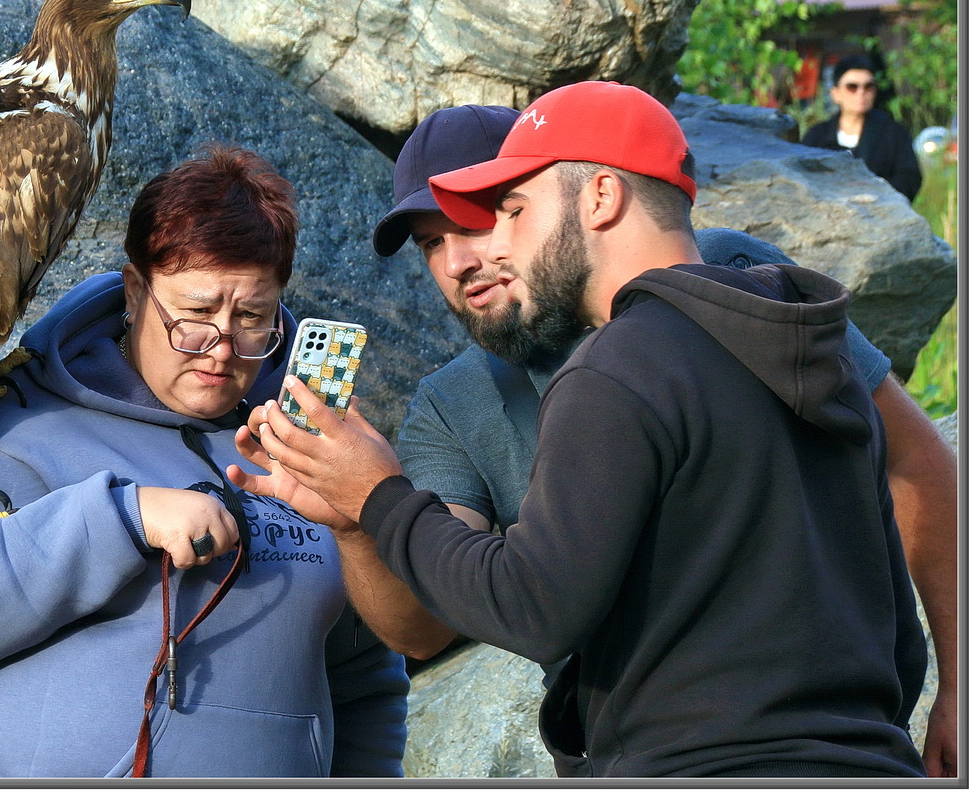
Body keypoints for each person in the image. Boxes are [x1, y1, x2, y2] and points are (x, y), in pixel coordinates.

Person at [232, 82, 929, 777]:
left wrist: (380, 495)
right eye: (429, 245)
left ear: (597, 197)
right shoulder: (793, 322)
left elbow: (531, 603)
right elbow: (898, 636)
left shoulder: (621, 356)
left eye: (503, 213)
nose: (462, 261)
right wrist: (358, 516)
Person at [0, 144, 408, 778]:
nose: (221, 347)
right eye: (193, 314)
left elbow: (364, 674)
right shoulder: (15, 419)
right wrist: (119, 517)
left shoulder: (309, 443)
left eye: (252, 317)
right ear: (135, 289)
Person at [801, 53, 922, 200]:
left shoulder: (893, 133)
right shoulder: (816, 136)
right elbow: (802, 179)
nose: (861, 92)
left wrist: (871, 190)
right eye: (852, 87)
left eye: (868, 86)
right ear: (835, 93)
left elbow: (909, 179)